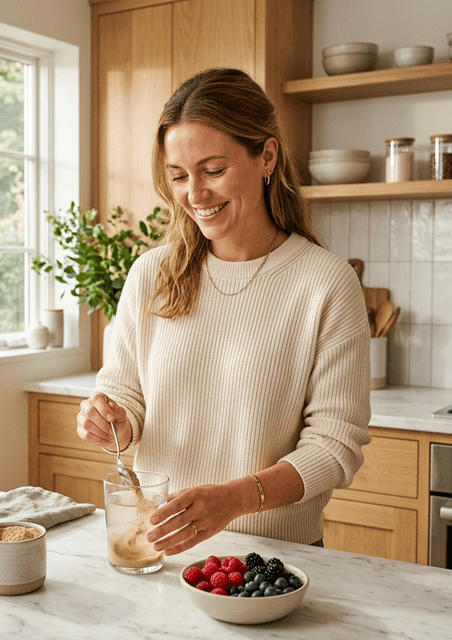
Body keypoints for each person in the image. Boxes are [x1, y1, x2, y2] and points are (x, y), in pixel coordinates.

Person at [77, 67, 371, 557]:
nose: (195, 194)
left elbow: (335, 447)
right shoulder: (152, 273)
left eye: (213, 170)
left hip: (275, 560)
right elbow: (123, 394)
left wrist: (235, 499)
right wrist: (113, 421)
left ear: (267, 157)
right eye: (178, 176)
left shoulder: (325, 282)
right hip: (165, 549)